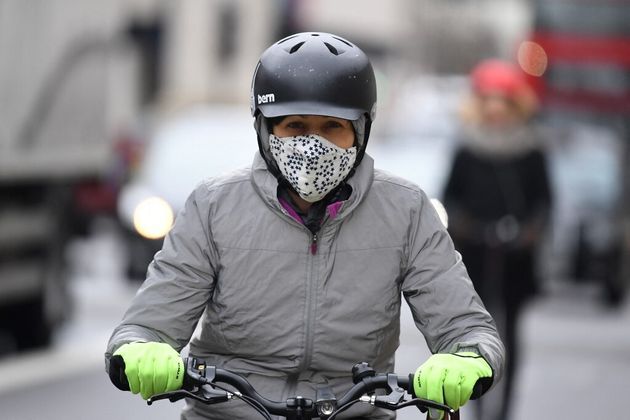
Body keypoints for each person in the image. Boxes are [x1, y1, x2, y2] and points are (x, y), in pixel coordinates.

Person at [105, 32, 505, 420]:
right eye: (295, 125)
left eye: (332, 126)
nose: (312, 145)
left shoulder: (406, 210)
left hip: (355, 413)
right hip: (230, 414)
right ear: (265, 128)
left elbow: (466, 324)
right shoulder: (213, 206)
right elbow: (149, 320)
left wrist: (466, 357)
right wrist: (143, 347)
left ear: (361, 130)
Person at [442, 59, 552, 420]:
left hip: (516, 258)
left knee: (511, 334)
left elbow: (544, 201)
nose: (496, 111)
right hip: (474, 253)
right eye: (488, 103)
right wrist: (467, 227)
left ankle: (504, 410)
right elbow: (450, 198)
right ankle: (474, 405)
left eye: (503, 103)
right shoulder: (467, 148)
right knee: (473, 332)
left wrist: (527, 233)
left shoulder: (531, 149)